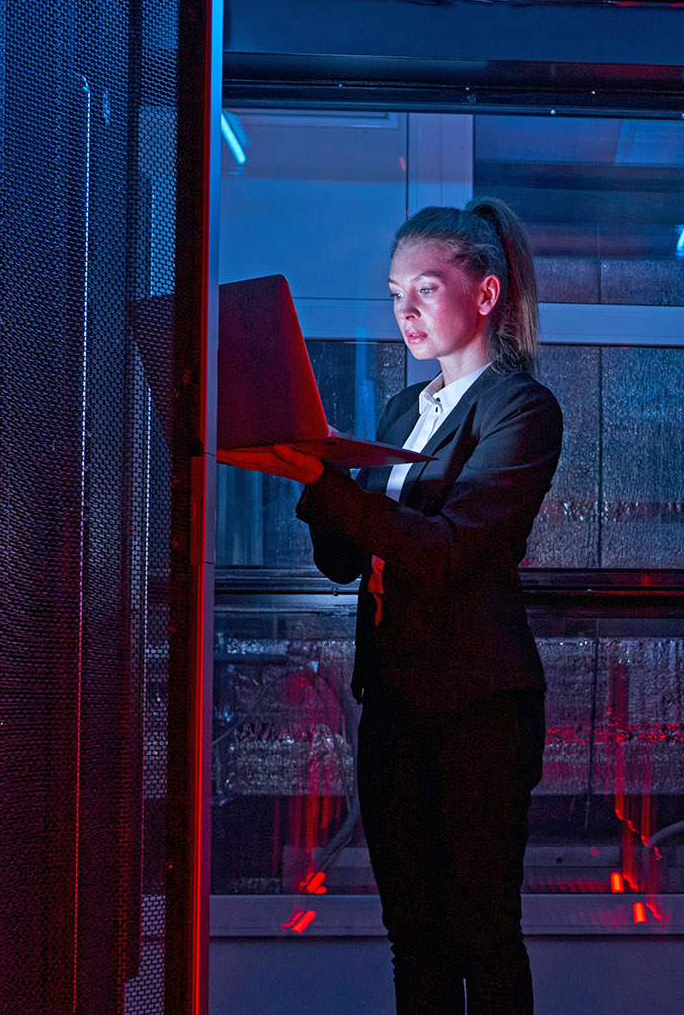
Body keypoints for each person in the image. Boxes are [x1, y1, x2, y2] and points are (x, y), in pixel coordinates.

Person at [225, 197, 562, 1013]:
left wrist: (326, 485)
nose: (404, 310)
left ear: (484, 294)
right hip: (397, 703)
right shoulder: (403, 413)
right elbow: (347, 564)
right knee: (412, 934)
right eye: (394, 292)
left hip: (480, 708)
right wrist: (317, 468)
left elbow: (446, 552)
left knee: (482, 929)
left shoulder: (521, 409)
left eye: (426, 288)